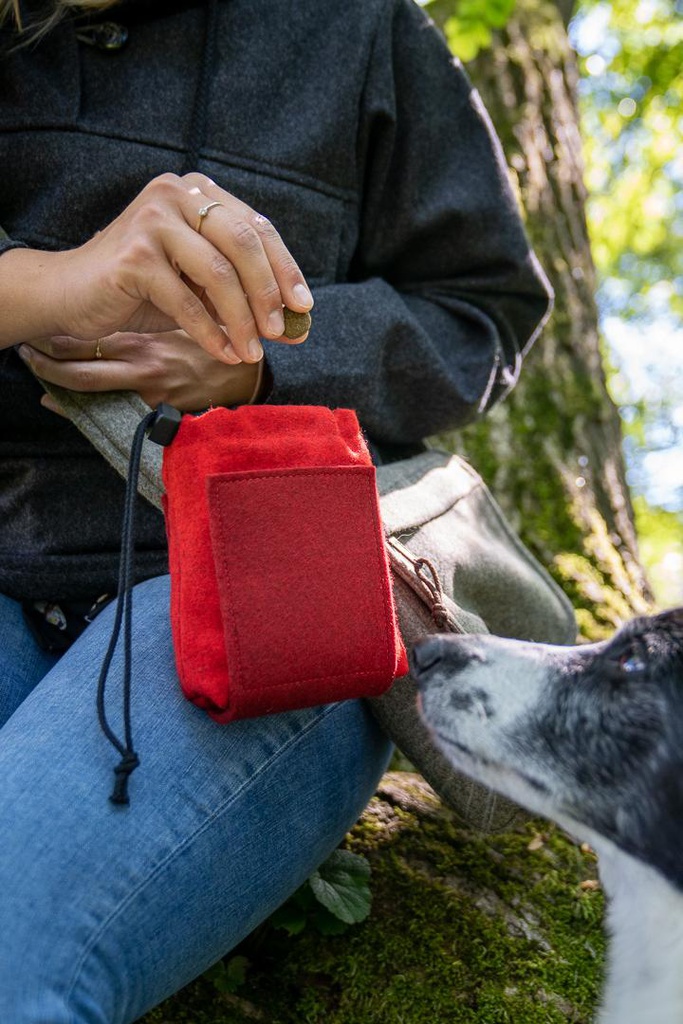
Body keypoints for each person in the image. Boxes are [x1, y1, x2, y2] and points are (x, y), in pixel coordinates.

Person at [0, 0, 552, 1020]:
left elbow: (484, 311)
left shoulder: (358, 26)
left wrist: (267, 359)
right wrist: (40, 289)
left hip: (272, 580)